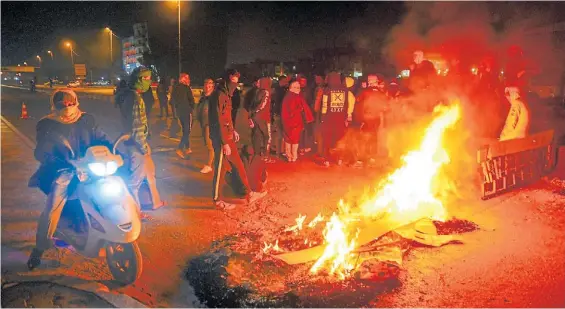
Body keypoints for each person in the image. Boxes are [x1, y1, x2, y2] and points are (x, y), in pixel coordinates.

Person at [27, 89, 112, 270]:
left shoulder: (87, 119)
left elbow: (101, 138)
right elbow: (42, 150)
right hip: (64, 170)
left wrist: (113, 152)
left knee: (113, 191)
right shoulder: (47, 124)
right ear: (54, 105)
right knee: (53, 206)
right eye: (62, 104)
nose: (66, 107)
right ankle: (39, 247)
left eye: (69, 102)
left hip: (91, 167)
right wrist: (56, 159)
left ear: (76, 101)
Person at [208, 69, 267, 210]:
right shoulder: (219, 96)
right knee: (220, 169)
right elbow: (218, 120)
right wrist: (224, 142)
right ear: (226, 80)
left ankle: (249, 193)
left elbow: (226, 118)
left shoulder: (226, 95)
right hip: (222, 139)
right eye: (233, 81)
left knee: (239, 165)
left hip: (228, 137)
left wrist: (232, 130)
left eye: (236, 81)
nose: (235, 84)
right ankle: (217, 200)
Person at [117, 66, 165, 213]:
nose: (149, 82)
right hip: (136, 145)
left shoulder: (128, 95)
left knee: (149, 171)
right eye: (146, 79)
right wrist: (144, 148)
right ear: (139, 80)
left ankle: (155, 201)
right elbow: (137, 127)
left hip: (134, 142)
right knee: (135, 181)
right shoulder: (135, 99)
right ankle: (134, 211)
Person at [319, 72, 356, 167]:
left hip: (329, 119)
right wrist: (347, 117)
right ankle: (339, 159)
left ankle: (327, 160)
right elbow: (348, 105)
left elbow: (324, 106)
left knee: (327, 140)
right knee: (339, 140)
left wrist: (322, 118)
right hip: (341, 119)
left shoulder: (327, 90)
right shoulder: (345, 91)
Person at [281, 79, 314, 162]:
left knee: (288, 138)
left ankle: (289, 156)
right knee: (295, 139)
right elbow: (304, 109)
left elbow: (284, 110)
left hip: (286, 121)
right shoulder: (298, 97)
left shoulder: (286, 96)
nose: (298, 89)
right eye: (297, 87)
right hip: (296, 121)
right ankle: (294, 156)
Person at [171, 73, 196, 158]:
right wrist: (193, 108)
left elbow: (171, 101)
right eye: (188, 78)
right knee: (187, 131)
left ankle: (188, 148)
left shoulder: (175, 88)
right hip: (187, 111)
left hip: (179, 112)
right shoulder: (186, 88)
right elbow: (191, 100)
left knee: (185, 130)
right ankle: (180, 148)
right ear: (185, 79)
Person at [249, 77, 273, 161]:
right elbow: (262, 104)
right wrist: (256, 111)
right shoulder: (266, 92)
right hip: (263, 117)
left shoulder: (257, 92)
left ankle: (257, 154)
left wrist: (252, 114)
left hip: (256, 117)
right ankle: (266, 156)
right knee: (267, 137)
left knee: (257, 135)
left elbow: (252, 104)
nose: (257, 84)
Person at [196, 78, 215, 173]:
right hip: (203, 123)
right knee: (207, 144)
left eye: (209, 85)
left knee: (209, 145)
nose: (207, 87)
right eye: (206, 85)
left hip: (209, 123)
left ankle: (209, 165)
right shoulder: (203, 97)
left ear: (212, 86)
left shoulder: (213, 98)